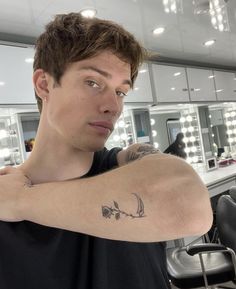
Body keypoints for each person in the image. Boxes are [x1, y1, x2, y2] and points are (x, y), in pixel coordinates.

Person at [0, 13, 212, 289]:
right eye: (93, 82)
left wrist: (20, 199)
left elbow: (191, 207)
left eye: (121, 92)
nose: (113, 106)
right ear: (44, 84)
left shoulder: (129, 165)